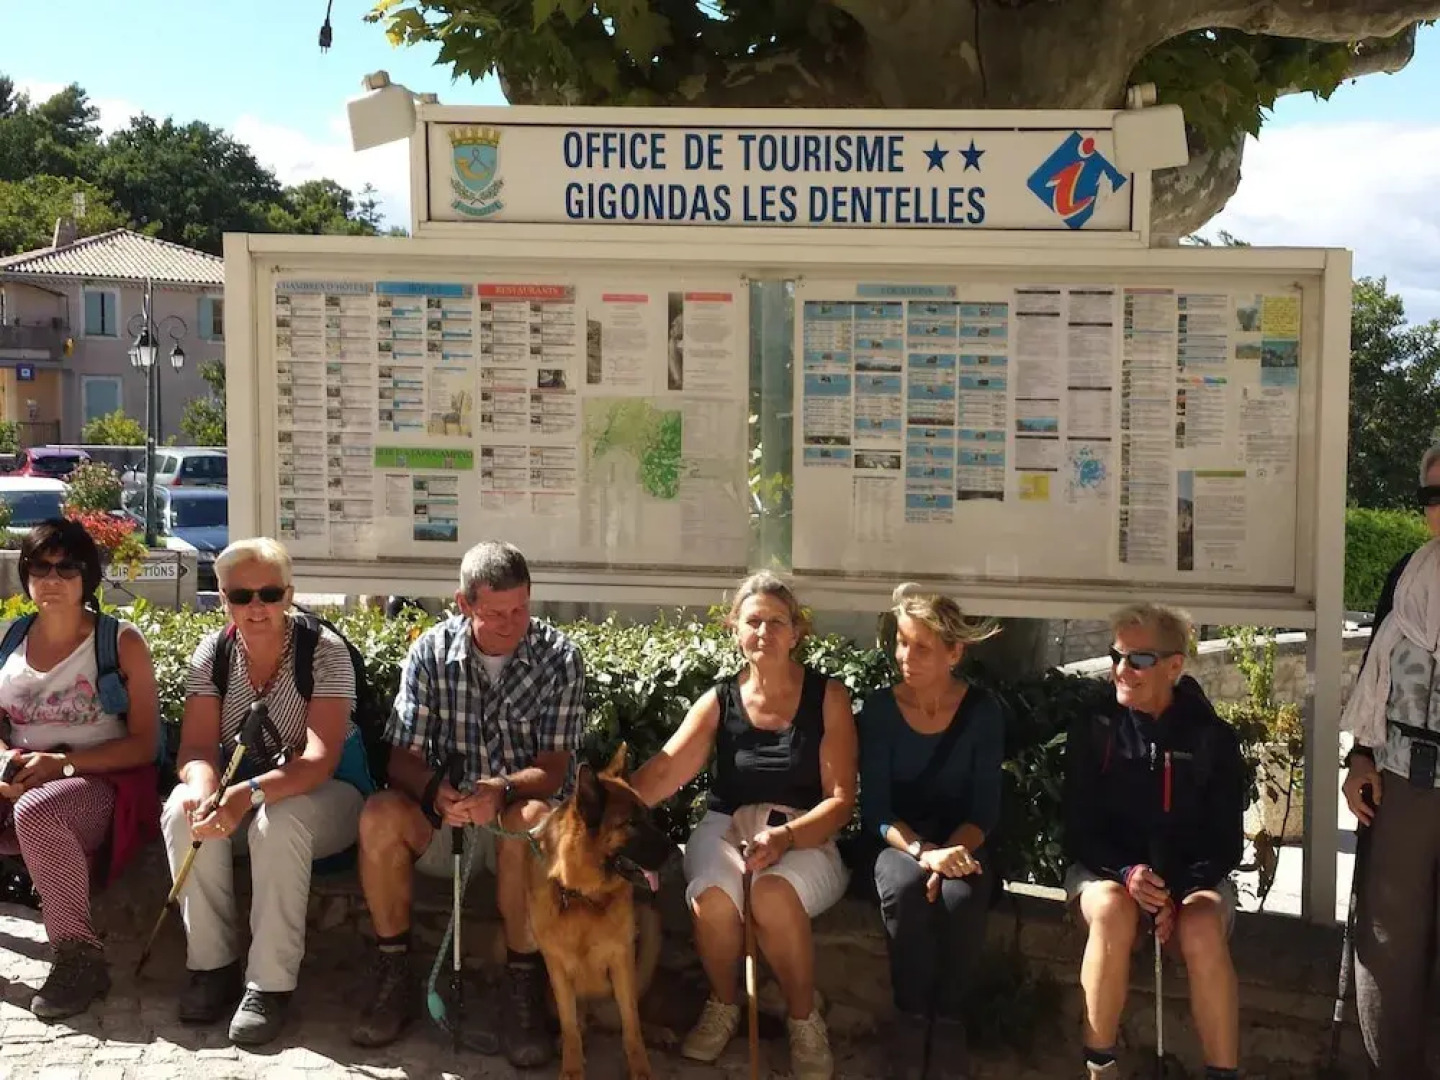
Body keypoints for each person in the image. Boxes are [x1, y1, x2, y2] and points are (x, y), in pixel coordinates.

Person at [349, 540, 585, 1068]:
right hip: (443, 824)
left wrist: (500, 790)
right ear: (464, 604)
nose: (512, 622)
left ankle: (523, 986)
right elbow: (400, 757)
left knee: (532, 820)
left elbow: (555, 768)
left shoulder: (560, 657)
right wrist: (436, 791)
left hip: (513, 822)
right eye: (496, 612)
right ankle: (394, 973)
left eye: (521, 608)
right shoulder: (431, 652)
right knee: (380, 814)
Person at [631, 571, 857, 1080]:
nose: (765, 632)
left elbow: (841, 801)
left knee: (771, 894)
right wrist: (606, 805)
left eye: (777, 622)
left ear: (797, 631)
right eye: (753, 621)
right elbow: (666, 768)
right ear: (735, 627)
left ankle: (803, 1019)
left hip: (805, 833)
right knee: (711, 895)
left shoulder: (829, 698)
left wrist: (786, 838)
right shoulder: (720, 700)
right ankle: (724, 1003)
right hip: (729, 827)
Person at [161, 537, 365, 1046]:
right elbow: (195, 750)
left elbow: (319, 763)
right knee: (182, 810)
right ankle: (212, 965)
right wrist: (207, 792)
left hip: (330, 796)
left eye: (269, 594)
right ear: (223, 597)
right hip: (244, 793)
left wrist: (243, 795)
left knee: (281, 823)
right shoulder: (213, 653)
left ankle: (268, 986)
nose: (257, 607)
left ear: (289, 595)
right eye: (242, 595)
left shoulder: (324, 651)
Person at [1062, 603, 1244, 1080]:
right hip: (1107, 870)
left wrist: (1174, 891)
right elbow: (1078, 828)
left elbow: (1226, 843)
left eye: (1139, 660)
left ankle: (1223, 1072)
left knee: (1201, 926)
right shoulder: (1094, 725)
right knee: (1111, 910)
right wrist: (1129, 874)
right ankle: (1100, 1067)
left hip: (1188, 877)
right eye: (1116, 656)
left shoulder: (1212, 738)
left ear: (1174, 666)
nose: (1122, 670)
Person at [0, 519, 161, 1020]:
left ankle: (79, 956)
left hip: (97, 783)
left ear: (87, 576)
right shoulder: (12, 637)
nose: (52, 578)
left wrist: (62, 764)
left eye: (66, 567)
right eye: (40, 567)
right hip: (19, 776)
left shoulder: (119, 643)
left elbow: (145, 744)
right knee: (30, 801)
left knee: (39, 809)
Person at [857, 587, 1005, 1080]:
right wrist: (924, 853)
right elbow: (876, 809)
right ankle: (911, 1018)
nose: (905, 656)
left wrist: (951, 853)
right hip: (899, 843)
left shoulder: (983, 713)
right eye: (901, 642)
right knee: (903, 887)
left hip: (964, 842)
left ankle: (948, 1024)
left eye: (920, 647)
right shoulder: (879, 711)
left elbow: (985, 809)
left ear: (954, 652)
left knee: (962, 898)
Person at [1340, 443, 1440, 1079]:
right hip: (1405, 782)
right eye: (1433, 497)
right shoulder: (1406, 578)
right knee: (1390, 947)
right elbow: (1374, 680)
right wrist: (1360, 756)